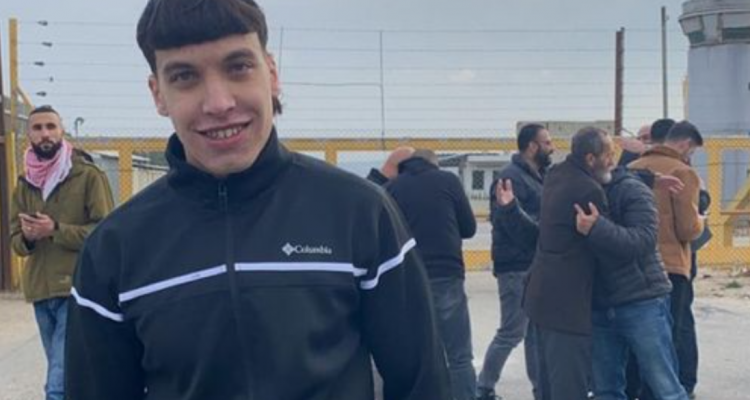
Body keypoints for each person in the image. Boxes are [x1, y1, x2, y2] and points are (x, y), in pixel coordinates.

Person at [65, 1, 451, 399]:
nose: (218, 102)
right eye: (184, 76)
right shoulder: (114, 248)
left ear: (271, 73)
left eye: (238, 67)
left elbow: (423, 384)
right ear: (158, 93)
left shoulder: (360, 212)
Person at [9, 105, 114, 400]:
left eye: (50, 127)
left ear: (62, 131)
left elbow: (105, 233)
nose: (45, 134)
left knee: (57, 385)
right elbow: (15, 241)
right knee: (68, 377)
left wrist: (55, 229)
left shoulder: (88, 176)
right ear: (29, 135)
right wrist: (28, 237)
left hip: (77, 289)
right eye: (37, 128)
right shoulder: (25, 183)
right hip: (41, 292)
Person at [577, 165, 689, 400]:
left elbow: (642, 241)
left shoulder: (631, 190)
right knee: (606, 389)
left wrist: (598, 227)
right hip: (599, 303)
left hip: (641, 300)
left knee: (664, 385)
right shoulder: (576, 191)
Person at [522, 127, 614, 400]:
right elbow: (603, 246)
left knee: (548, 384)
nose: (612, 161)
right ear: (590, 158)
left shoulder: (556, 175)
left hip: (542, 296)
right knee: (569, 385)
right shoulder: (588, 189)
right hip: (568, 304)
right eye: (608, 155)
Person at [387, 149, 477, 400]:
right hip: (446, 274)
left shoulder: (392, 188)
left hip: (409, 279)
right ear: (434, 164)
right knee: (459, 356)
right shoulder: (448, 181)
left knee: (413, 353)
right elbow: (469, 228)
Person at [476, 123, 554, 400]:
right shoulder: (511, 178)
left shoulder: (536, 176)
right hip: (517, 267)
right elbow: (508, 224)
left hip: (532, 264)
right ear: (532, 146)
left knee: (533, 332)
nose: (551, 148)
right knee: (512, 331)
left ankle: (540, 389)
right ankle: (483, 388)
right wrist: (541, 233)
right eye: (547, 143)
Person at [629, 121, 705, 398]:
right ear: (685, 144)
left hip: (633, 263)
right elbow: (687, 228)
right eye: (692, 151)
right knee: (670, 335)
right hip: (671, 265)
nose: (690, 156)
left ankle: (634, 389)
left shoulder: (632, 169)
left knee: (634, 334)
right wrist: (701, 220)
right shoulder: (682, 172)